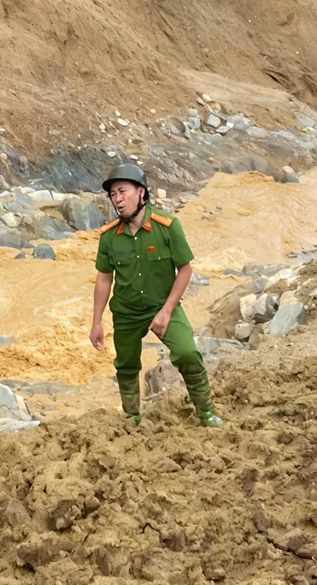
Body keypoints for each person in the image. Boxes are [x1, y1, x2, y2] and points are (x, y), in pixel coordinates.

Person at [90, 163, 223, 427]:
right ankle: (132, 418)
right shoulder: (108, 237)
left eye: (122, 191)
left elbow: (185, 269)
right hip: (126, 312)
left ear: (141, 192)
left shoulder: (167, 226)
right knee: (126, 366)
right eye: (113, 194)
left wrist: (167, 310)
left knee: (187, 353)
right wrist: (96, 321)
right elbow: (104, 278)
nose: (117, 199)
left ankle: (206, 413)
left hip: (163, 306)